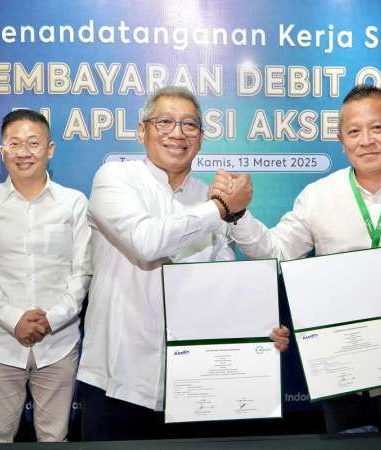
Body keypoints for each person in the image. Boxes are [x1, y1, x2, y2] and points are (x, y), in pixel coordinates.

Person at [211, 84, 381, 433]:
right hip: (342, 370)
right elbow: (276, 251)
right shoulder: (319, 196)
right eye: (354, 132)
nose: (366, 140)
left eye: (377, 128)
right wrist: (238, 214)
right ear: (341, 141)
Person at [76, 86, 287, 441]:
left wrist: (258, 331)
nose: (178, 133)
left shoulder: (207, 197)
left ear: (201, 138)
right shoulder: (114, 179)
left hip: (196, 384)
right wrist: (220, 208)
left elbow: (226, 284)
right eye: (165, 122)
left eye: (189, 125)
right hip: (119, 381)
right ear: (142, 131)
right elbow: (147, 243)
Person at [0, 109, 92, 442]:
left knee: (55, 438)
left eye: (33, 143)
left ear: (49, 149)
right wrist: (13, 319)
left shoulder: (74, 203)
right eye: (15, 143)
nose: (24, 152)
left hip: (58, 343)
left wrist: (51, 319)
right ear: (2, 151)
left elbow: (82, 271)